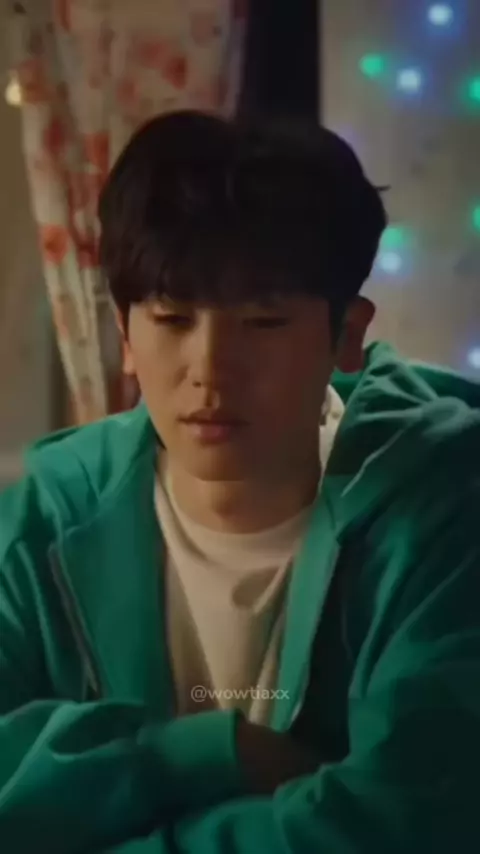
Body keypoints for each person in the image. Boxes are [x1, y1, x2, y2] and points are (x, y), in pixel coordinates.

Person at [1, 110, 480, 854]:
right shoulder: (46, 519)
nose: (210, 372)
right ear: (124, 334)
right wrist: (215, 752)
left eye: (263, 323)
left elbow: (405, 821)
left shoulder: (441, 503)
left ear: (347, 334)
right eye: (172, 318)